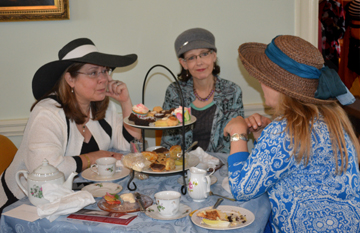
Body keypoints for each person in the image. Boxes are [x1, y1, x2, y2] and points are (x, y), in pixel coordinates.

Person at [224, 35, 360, 232]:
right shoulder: (334, 120)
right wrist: (263, 135)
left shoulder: (283, 130)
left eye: (263, 79)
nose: (261, 85)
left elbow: (242, 189)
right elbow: (297, 165)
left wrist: (238, 134)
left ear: (278, 86)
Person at [0, 38, 141, 216]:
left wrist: (125, 102)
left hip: (76, 199)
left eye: (105, 71)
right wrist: (96, 156)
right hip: (26, 206)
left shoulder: (103, 107)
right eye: (93, 73)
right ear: (70, 79)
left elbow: (131, 148)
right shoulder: (47, 113)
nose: (104, 79)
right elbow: (46, 169)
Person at [161, 28, 244, 153]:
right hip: (182, 166)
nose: (199, 62)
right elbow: (169, 143)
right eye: (192, 58)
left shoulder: (232, 91)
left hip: (220, 167)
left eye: (204, 54)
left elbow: (230, 145)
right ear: (184, 63)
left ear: (214, 56)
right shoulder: (175, 92)